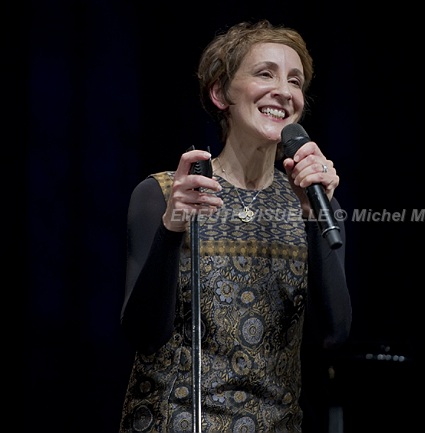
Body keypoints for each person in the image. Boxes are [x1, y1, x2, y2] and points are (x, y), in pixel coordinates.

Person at [119, 20, 352, 432]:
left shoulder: (315, 202)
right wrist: (171, 229)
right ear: (220, 93)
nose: (284, 90)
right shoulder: (165, 193)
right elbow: (143, 334)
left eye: (295, 81)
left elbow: (332, 335)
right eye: (265, 74)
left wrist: (313, 216)